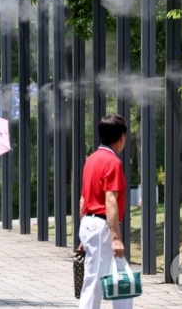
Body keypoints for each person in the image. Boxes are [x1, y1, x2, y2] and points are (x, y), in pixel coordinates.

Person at [78, 115, 132, 309]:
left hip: (90, 224)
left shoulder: (91, 160)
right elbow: (111, 200)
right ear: (121, 137)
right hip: (101, 226)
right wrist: (116, 237)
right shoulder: (113, 162)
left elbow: (83, 199)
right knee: (95, 280)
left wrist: (85, 235)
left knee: (121, 274)